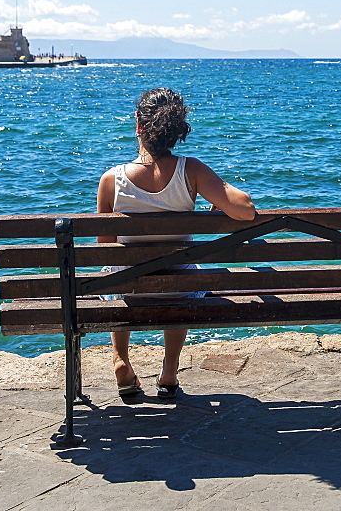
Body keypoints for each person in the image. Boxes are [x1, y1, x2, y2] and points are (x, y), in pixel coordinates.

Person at [96, 87, 255, 400]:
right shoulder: (191, 170)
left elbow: (106, 245)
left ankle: (120, 360)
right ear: (177, 131)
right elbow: (246, 210)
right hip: (179, 288)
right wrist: (220, 201)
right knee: (186, 272)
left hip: (129, 288)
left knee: (112, 271)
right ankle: (169, 370)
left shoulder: (111, 179)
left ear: (139, 126)